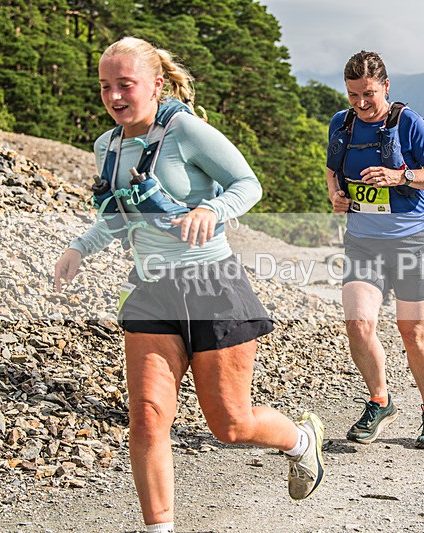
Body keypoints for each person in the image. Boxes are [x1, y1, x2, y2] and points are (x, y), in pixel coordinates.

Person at [53, 36, 324, 533]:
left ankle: (300, 441)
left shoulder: (186, 131)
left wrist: (210, 209)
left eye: (125, 85)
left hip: (212, 286)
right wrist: (79, 248)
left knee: (230, 425)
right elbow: (119, 216)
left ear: (156, 84)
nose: (114, 96)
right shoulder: (106, 147)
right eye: (105, 86)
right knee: (148, 417)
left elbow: (248, 185)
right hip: (151, 290)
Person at [326, 51, 424, 449]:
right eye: (352, 95)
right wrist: (335, 195)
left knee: (412, 333)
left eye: (369, 94)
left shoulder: (407, 122)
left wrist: (400, 175)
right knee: (358, 325)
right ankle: (380, 400)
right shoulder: (341, 123)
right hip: (363, 242)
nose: (361, 104)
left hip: (413, 240)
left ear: (386, 86)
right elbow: (332, 169)